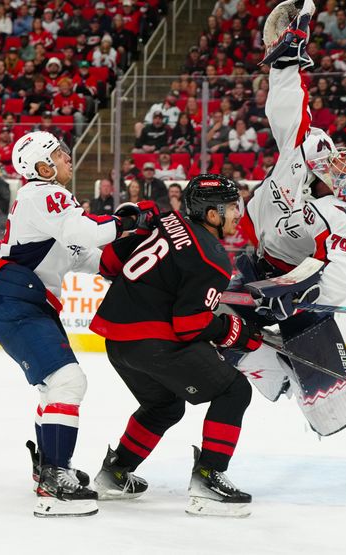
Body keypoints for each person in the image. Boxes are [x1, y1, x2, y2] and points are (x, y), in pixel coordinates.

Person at [0, 131, 153, 517]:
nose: (67, 157)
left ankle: (49, 468)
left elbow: (90, 255)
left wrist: (134, 253)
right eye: (59, 153)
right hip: (19, 303)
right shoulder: (42, 194)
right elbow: (88, 232)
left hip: (26, 303)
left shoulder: (51, 209)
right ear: (42, 166)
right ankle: (54, 478)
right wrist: (130, 219)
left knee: (53, 387)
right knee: (68, 382)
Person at [231, 0, 346, 438]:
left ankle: (323, 399)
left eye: (337, 174)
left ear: (345, 190)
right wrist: (286, 65)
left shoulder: (344, 215)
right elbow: (288, 110)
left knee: (323, 395)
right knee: (223, 326)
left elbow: (331, 270)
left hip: (315, 284)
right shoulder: (309, 150)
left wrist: (296, 291)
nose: (330, 167)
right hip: (266, 259)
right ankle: (275, 378)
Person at [90, 174, 259, 517]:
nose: (238, 214)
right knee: (235, 391)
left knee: (165, 406)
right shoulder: (213, 257)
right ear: (211, 215)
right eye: (231, 207)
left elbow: (109, 265)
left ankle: (115, 473)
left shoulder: (166, 220)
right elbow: (189, 326)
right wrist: (234, 330)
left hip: (118, 342)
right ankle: (209, 478)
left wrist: (136, 225)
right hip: (153, 342)